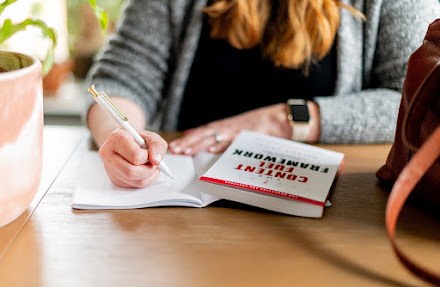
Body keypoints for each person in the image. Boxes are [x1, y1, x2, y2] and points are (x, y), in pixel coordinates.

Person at [85, 0, 440, 188]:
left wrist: (281, 121)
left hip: (339, 199)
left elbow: (414, 98)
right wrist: (121, 132)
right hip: (185, 196)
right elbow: (120, 81)